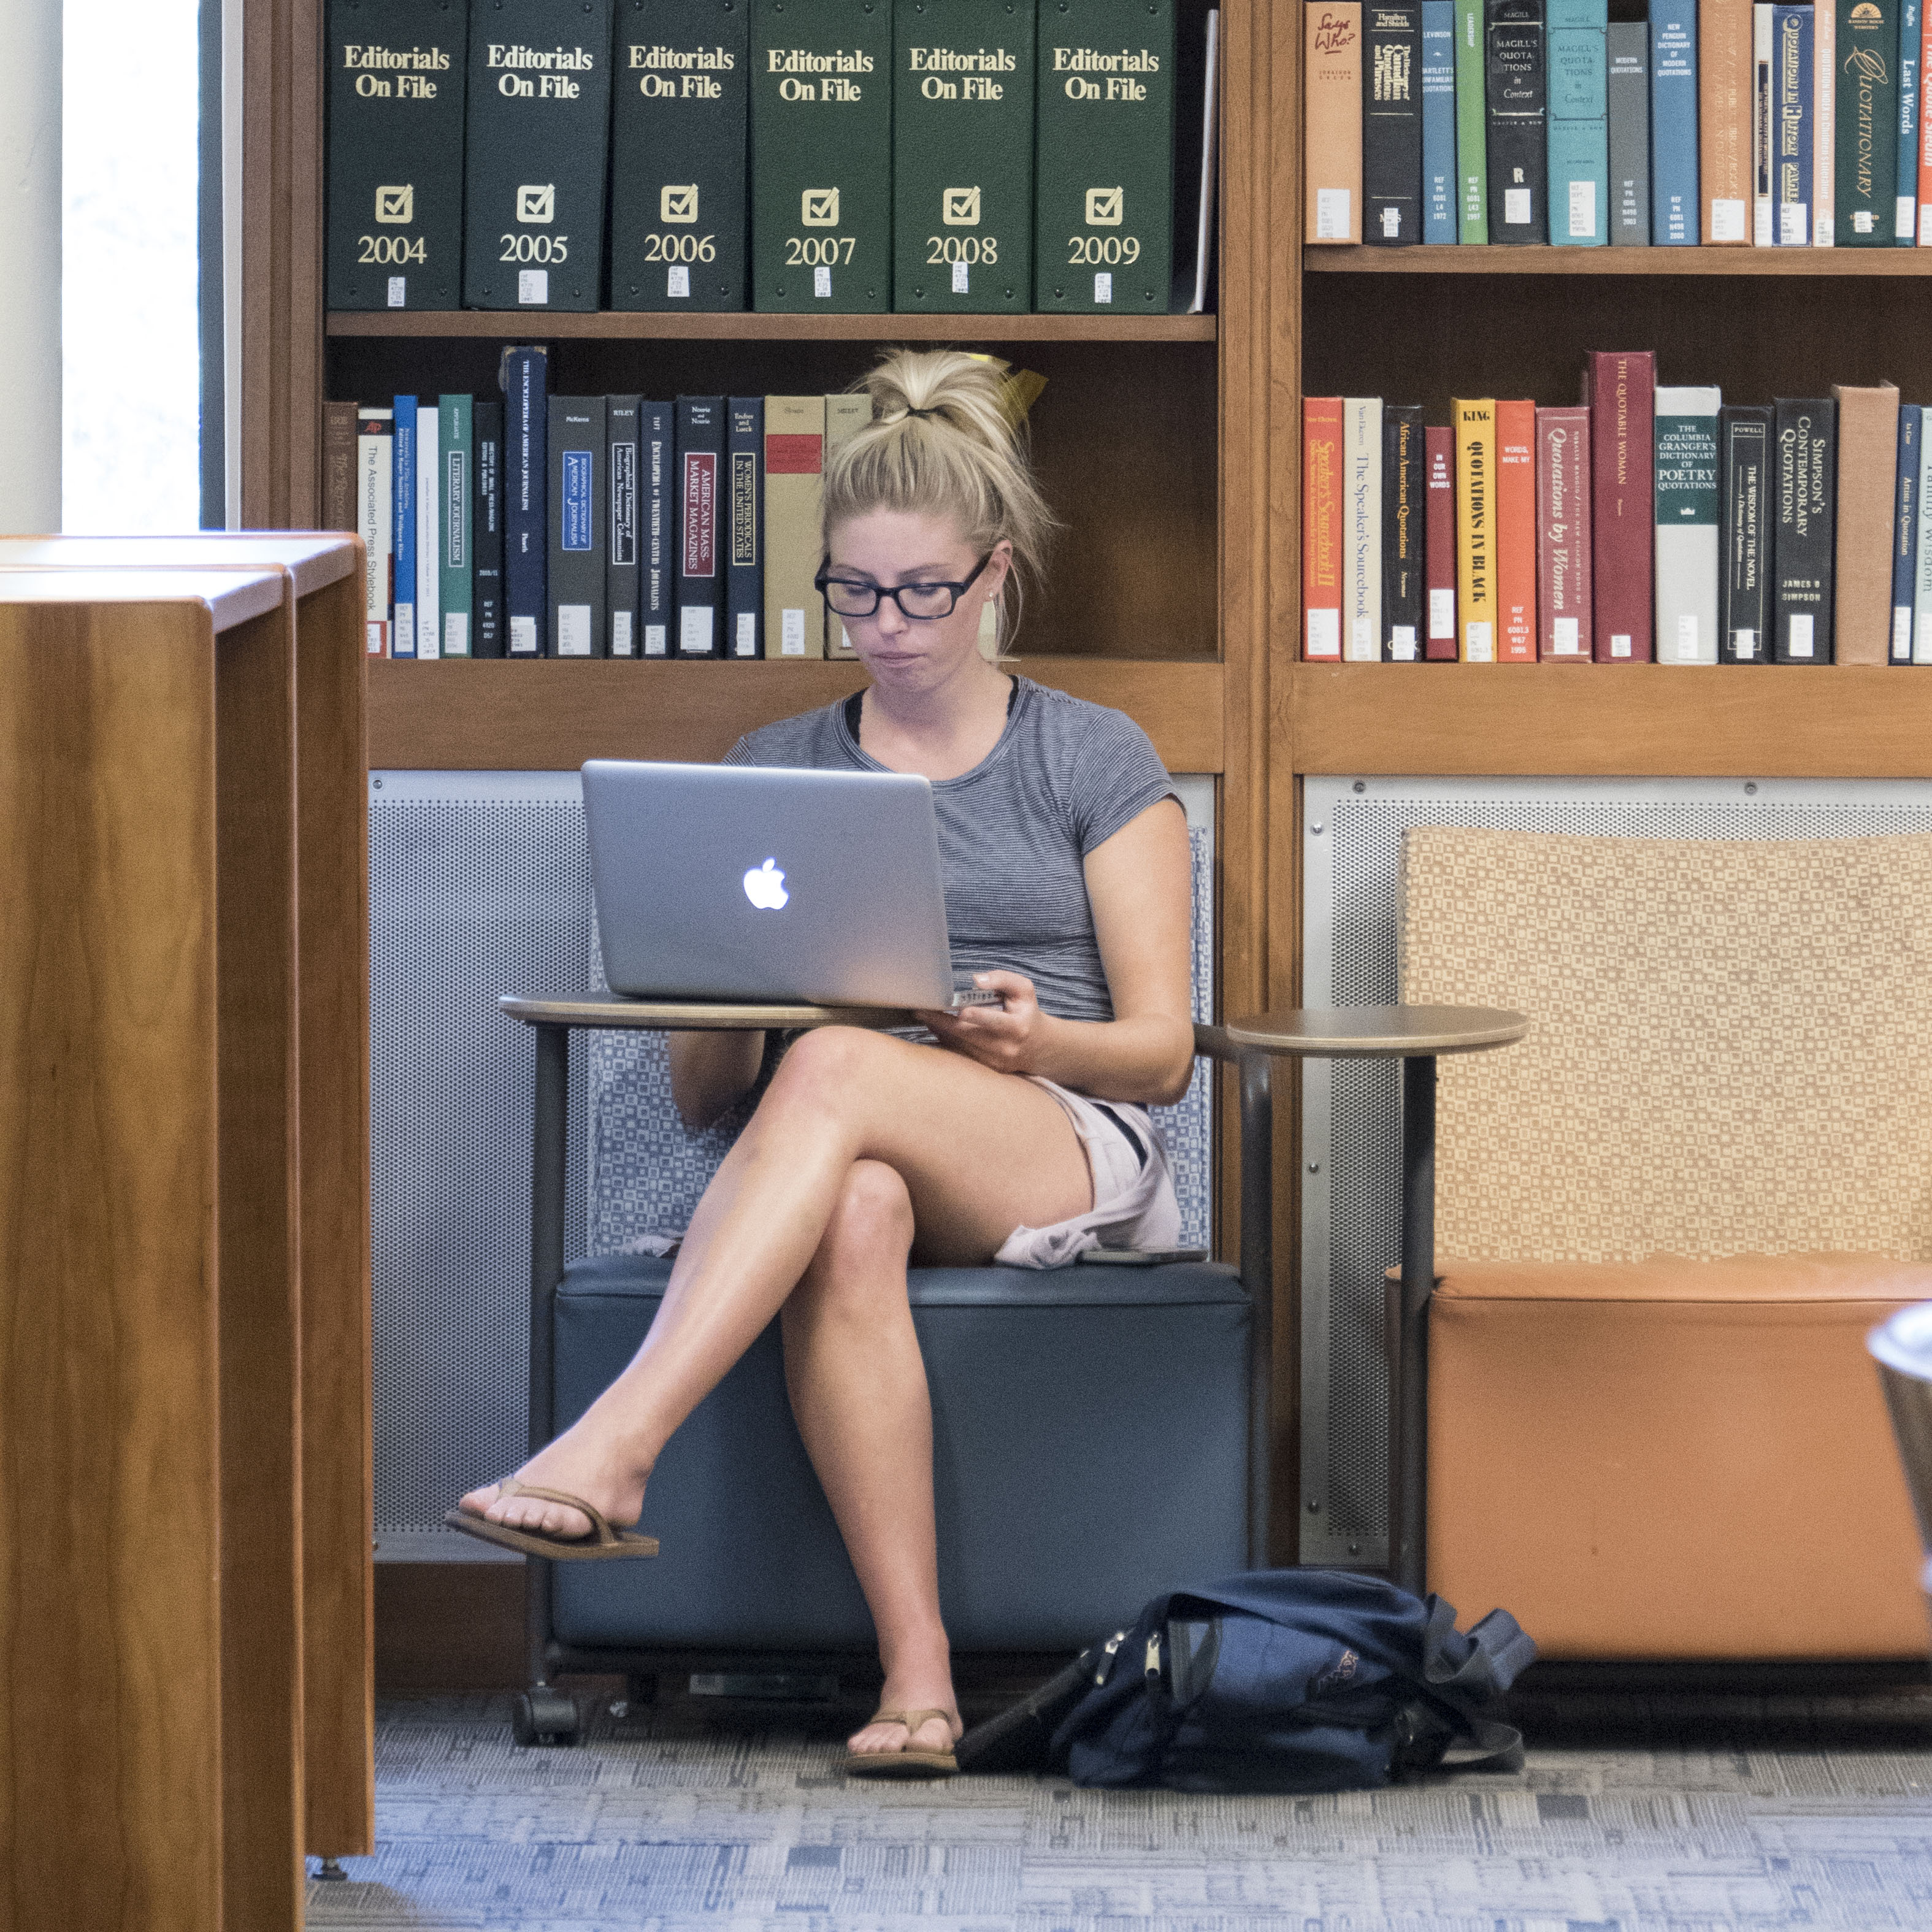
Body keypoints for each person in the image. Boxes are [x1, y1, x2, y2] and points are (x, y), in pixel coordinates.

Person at [449, 348, 1196, 1776]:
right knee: (852, 1193)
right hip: (834, 1139)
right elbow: (698, 1098)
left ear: (995, 574)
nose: (889, 626)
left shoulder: (1089, 757)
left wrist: (1034, 1035)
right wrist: (755, 986)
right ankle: (916, 1677)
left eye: (922, 591)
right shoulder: (772, 767)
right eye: (855, 592)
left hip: (1061, 1131)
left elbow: (1160, 1055)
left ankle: (614, 1446)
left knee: (842, 1073)